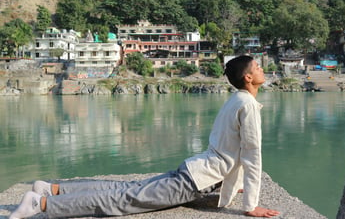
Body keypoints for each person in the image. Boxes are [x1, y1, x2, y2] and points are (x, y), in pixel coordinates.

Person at [9, 55, 280, 219]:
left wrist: (234, 184)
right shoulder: (247, 105)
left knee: (124, 189)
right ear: (247, 77)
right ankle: (41, 204)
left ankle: (52, 189)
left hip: (196, 168)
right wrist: (251, 205)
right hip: (198, 179)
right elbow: (252, 156)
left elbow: (229, 148)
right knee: (122, 200)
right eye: (257, 67)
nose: (261, 70)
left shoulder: (236, 99)